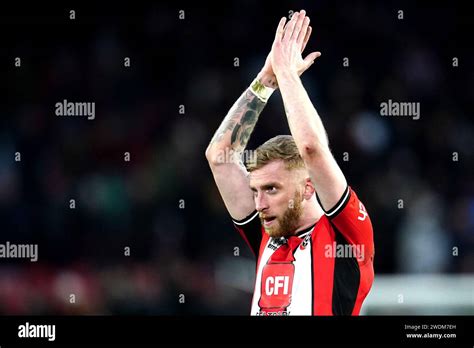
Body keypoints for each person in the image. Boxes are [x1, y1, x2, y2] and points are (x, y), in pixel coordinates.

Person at [205, 10, 374, 316]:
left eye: (271, 188)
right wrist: (266, 81)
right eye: (256, 190)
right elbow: (219, 156)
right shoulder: (267, 231)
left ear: (308, 188)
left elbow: (311, 148)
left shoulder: (345, 236)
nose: (259, 203)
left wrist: (287, 74)